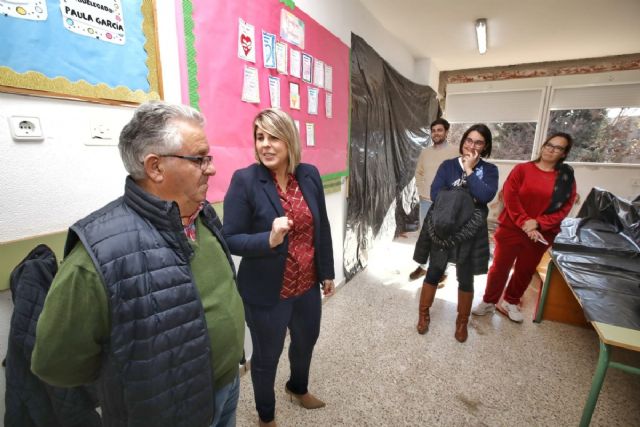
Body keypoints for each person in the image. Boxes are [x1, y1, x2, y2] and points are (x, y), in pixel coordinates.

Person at [31, 101, 245, 427]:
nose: (211, 169)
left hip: (227, 386)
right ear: (155, 167)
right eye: (199, 159)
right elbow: (55, 363)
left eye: (209, 158)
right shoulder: (98, 254)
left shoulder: (203, 215)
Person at [223, 108, 335, 427]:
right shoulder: (245, 181)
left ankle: (297, 388)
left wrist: (326, 272)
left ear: (289, 142)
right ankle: (266, 416)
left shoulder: (309, 175)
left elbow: (321, 227)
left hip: (306, 286)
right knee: (267, 357)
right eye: (260, 137)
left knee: (305, 340)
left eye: (274, 137)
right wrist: (268, 240)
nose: (266, 145)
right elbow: (229, 238)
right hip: (267, 293)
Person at [473, 132, 576, 322]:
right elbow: (510, 197)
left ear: (564, 153)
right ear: (543, 146)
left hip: (541, 233)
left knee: (525, 269)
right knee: (499, 267)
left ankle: (510, 301)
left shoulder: (565, 178)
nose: (551, 149)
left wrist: (538, 223)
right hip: (512, 228)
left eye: (558, 148)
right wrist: (524, 222)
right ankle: (489, 301)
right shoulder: (522, 169)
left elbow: (565, 207)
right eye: (549, 145)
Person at [413, 124, 498, 342]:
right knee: (434, 270)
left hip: (470, 230)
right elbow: (435, 193)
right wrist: (466, 198)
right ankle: (423, 314)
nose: (472, 145)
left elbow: (485, 196)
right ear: (463, 142)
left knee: (465, 276)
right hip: (444, 225)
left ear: (485, 146)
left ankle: (461, 322)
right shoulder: (448, 165)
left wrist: (469, 171)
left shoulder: (489, 171)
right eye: (469, 140)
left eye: (478, 142)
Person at [409, 117, 459, 282]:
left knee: (444, 236)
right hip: (426, 201)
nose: (436, 133)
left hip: (447, 203)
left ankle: (443, 270)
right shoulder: (426, 152)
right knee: (425, 235)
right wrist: (423, 190)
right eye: (433, 130)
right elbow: (419, 172)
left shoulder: (455, 151)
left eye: (439, 130)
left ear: (446, 132)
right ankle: (423, 266)